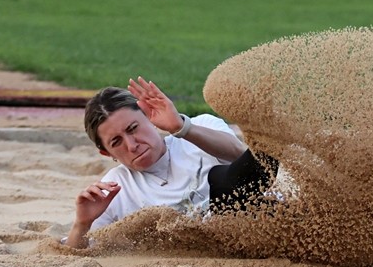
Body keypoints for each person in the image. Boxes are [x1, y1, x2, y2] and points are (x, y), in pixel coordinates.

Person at [64, 78, 276, 249]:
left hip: (269, 219)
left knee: (221, 176)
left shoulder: (199, 127)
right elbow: (77, 252)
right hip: (219, 245)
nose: (132, 145)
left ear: (149, 116)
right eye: (116, 142)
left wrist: (182, 128)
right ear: (106, 152)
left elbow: (244, 157)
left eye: (133, 129)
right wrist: (82, 224)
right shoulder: (115, 188)